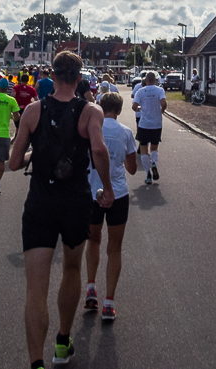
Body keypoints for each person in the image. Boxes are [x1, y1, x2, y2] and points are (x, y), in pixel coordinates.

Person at [8, 51, 114, 368]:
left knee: (35, 288)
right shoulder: (91, 111)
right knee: (71, 269)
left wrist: (33, 156)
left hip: (40, 201)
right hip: (75, 200)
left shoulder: (31, 111)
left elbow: (14, 163)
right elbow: (98, 149)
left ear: (51, 76)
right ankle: (63, 342)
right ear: (80, 78)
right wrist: (107, 188)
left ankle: (36, 363)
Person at [83, 92, 137, 322]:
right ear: (119, 109)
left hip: (92, 191)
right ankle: (109, 302)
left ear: (100, 107)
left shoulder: (90, 130)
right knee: (114, 248)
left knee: (93, 240)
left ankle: (91, 288)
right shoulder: (125, 132)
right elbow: (133, 169)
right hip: (118, 194)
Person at [131, 71, 167, 185]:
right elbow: (163, 103)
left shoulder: (140, 91)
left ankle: (148, 174)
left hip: (144, 124)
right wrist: (162, 110)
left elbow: (134, 106)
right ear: (155, 80)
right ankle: (154, 163)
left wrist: (139, 109)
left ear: (145, 80)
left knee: (143, 149)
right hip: (156, 124)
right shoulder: (160, 90)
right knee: (154, 147)